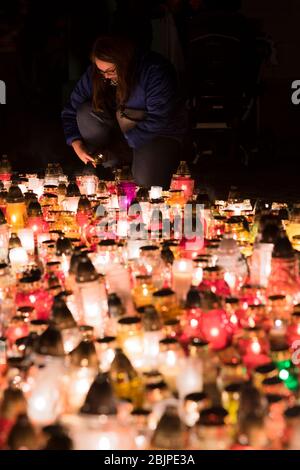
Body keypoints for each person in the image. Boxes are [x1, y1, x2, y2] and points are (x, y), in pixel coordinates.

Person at [61, 35, 187, 188]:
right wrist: (76, 143)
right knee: (85, 113)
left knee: (147, 185)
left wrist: (125, 144)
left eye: (111, 71)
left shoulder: (155, 71)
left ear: (124, 61)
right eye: (101, 72)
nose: (106, 77)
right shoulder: (98, 74)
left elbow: (159, 118)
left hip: (157, 133)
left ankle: (134, 160)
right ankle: (111, 165)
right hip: (120, 131)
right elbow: (70, 110)